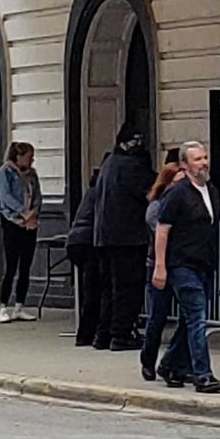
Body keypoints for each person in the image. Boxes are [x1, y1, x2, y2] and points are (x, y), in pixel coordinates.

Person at [152, 142, 220, 393]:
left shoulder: (211, 190)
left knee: (189, 320)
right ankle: (202, 373)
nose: (203, 163)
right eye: (197, 159)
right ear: (184, 164)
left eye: (205, 157)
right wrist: (160, 266)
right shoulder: (177, 193)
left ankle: (170, 363)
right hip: (181, 264)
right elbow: (162, 229)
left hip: (204, 262)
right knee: (197, 317)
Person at [92, 125, 155, 351]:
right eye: (136, 141)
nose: (139, 145)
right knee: (127, 288)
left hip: (104, 236)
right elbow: (150, 192)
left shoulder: (109, 164)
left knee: (110, 287)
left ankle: (104, 334)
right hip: (127, 237)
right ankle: (121, 334)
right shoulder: (132, 166)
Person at [139, 159, 183, 381]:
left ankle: (173, 361)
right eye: (176, 183)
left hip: (181, 265)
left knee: (189, 317)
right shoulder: (156, 208)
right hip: (159, 265)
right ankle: (148, 358)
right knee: (158, 315)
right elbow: (163, 234)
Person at [0, 142, 42, 323]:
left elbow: (37, 195)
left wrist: (34, 213)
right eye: (29, 157)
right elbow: (6, 196)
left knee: (25, 266)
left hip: (29, 223)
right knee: (11, 264)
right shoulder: (5, 172)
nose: (31, 161)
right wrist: (23, 211)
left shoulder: (32, 175)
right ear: (18, 156)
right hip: (12, 221)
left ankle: (20, 305)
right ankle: (3, 305)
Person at [68, 168, 100, 347]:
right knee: (93, 290)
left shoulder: (92, 190)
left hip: (77, 240)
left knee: (88, 289)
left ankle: (85, 332)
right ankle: (86, 333)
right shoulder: (102, 191)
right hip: (89, 241)